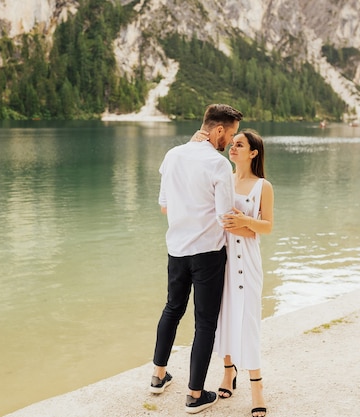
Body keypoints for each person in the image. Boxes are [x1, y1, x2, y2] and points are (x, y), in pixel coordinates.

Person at [150, 104, 243, 414]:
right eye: (230, 135)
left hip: (176, 249)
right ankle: (194, 394)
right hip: (207, 254)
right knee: (204, 323)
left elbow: (164, 206)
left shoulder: (172, 156)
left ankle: (159, 376)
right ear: (217, 130)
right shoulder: (218, 166)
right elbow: (225, 217)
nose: (230, 142)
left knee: (172, 308)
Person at [214, 129, 274, 417]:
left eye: (240, 145)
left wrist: (244, 222)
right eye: (232, 144)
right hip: (222, 259)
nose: (233, 148)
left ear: (253, 153)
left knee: (249, 320)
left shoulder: (263, 186)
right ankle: (228, 373)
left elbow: (267, 227)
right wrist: (241, 227)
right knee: (223, 317)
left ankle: (257, 387)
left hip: (248, 262)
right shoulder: (223, 180)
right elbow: (218, 220)